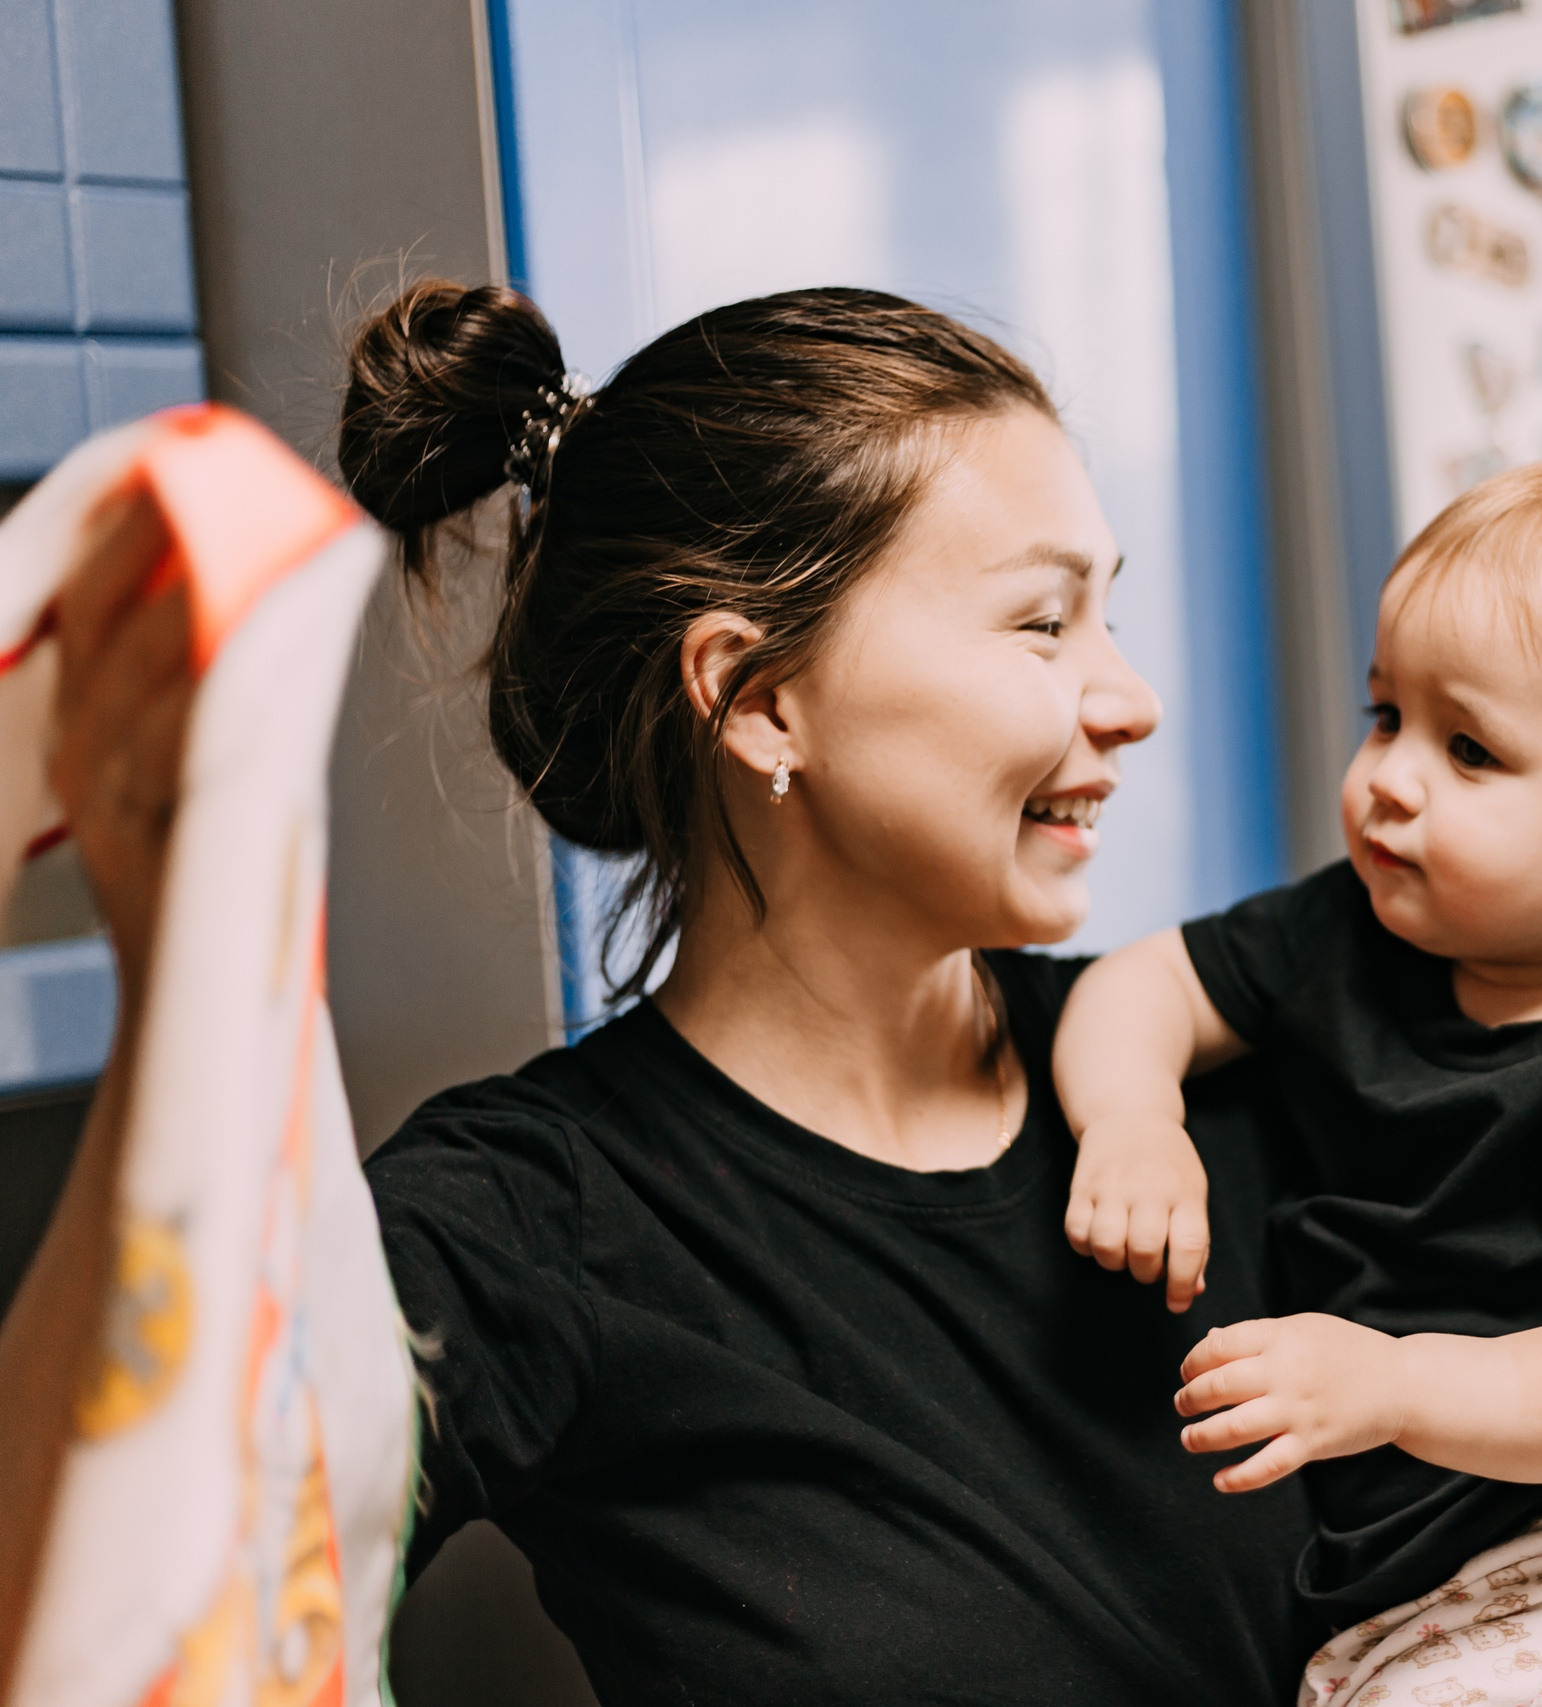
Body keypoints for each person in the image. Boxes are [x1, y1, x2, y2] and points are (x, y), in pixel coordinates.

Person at [14, 279, 1321, 1706]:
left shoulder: (1206, 1074)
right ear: (759, 700)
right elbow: (120, 1596)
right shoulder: (526, 1222)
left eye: (1106, 612)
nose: (1129, 698)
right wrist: (193, 925)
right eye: (1043, 623)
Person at [1053, 454, 1542, 1706]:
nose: (1388, 776)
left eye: (1468, 748)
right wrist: (1131, 1120)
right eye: (1385, 715)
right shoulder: (1341, 935)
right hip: (1376, 1592)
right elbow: (1139, 985)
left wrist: (1395, 1383)